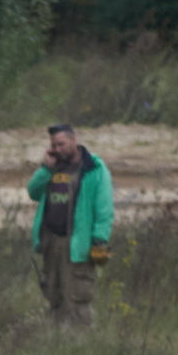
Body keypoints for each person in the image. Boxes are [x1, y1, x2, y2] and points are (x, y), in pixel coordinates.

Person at [25, 123, 113, 325]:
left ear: (74, 140)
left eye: (61, 144)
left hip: (79, 246)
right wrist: (46, 167)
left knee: (78, 298)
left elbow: (105, 211)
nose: (57, 149)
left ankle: (81, 345)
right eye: (54, 145)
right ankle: (57, 343)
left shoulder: (95, 169)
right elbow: (33, 192)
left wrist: (99, 242)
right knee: (54, 295)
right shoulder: (52, 168)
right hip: (51, 244)